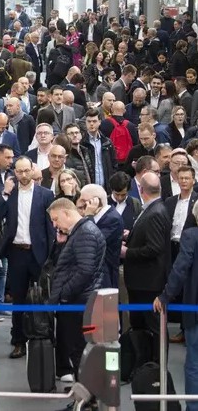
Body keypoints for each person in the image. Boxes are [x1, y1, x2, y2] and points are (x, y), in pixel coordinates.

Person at [0, 156, 54, 359]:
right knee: (18, 299)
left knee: (41, 298)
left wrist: (50, 256)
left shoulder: (45, 195)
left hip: (39, 253)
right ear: (15, 173)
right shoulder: (11, 195)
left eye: (27, 170)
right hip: (17, 252)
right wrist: (5, 193)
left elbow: (50, 228)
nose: (24, 174)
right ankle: (18, 340)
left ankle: (43, 338)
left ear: (33, 170)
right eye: (19, 171)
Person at [48, 197, 105, 382]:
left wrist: (64, 293)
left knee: (78, 350)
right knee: (77, 350)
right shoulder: (81, 231)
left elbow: (85, 270)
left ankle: (86, 394)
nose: (55, 225)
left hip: (78, 301)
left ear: (66, 213)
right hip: (78, 300)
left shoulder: (84, 233)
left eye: (56, 219)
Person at [155, 225, 198, 411]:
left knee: (194, 363)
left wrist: (165, 296)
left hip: (195, 311)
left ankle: (193, 407)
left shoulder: (191, 235)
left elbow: (180, 268)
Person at [123, 171, 171, 336]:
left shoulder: (155, 213)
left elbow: (154, 248)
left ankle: (157, 354)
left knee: (154, 327)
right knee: (142, 327)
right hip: (143, 282)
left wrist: (128, 252)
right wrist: (131, 236)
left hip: (148, 283)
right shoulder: (153, 209)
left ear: (141, 190)